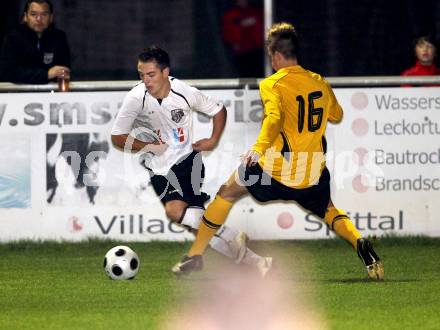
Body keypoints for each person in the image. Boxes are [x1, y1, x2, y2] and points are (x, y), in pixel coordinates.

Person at [173, 22, 384, 281]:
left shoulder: (272, 84)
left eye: (270, 55)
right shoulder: (318, 81)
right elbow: (337, 114)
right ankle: (359, 242)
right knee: (328, 208)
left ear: (276, 55)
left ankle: (196, 255)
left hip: (275, 170)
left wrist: (258, 148)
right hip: (311, 172)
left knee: (226, 194)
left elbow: (273, 118)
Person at [111, 46, 272, 276]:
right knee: (196, 225)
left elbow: (218, 110)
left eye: (151, 74)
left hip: (187, 161)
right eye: (141, 75)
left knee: (176, 212)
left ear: (165, 72)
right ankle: (255, 261)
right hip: (157, 167)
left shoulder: (183, 91)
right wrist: (147, 146)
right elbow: (117, 137)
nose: (145, 80)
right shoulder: (136, 97)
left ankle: (224, 241)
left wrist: (213, 139)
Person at [0, 0, 71, 84]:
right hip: (17, 93)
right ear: (25, 17)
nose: (39, 19)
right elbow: (7, 72)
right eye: (34, 14)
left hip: (50, 93)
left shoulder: (59, 37)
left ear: (51, 17)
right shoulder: (13, 38)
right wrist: (46, 74)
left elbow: (63, 70)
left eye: (44, 14)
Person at [221, 0, 264, 78]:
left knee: (258, 74)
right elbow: (229, 32)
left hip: (256, 50)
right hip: (241, 52)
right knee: (245, 75)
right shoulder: (231, 14)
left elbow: (261, 29)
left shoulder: (255, 12)